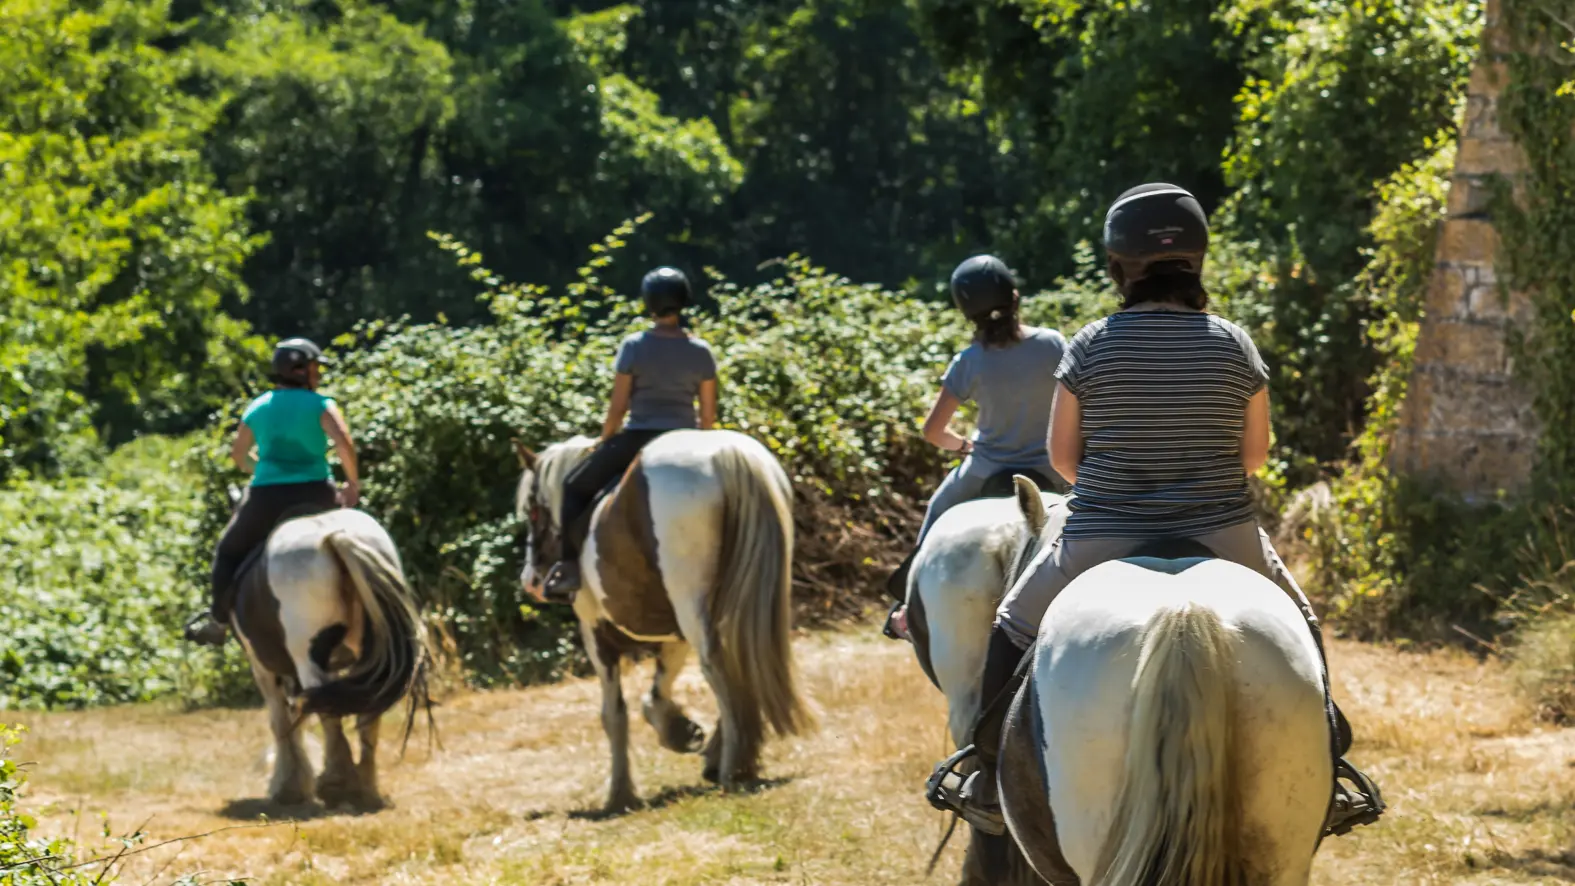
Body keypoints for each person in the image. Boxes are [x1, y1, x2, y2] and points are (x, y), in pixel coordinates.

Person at [924, 183, 1385, 838]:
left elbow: (1061, 459)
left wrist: (1119, 485)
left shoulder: (1088, 346)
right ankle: (1330, 766)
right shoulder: (1233, 344)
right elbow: (1254, 457)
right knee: (1300, 622)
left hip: (1101, 531)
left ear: (1118, 266)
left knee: (1011, 622)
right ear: (1195, 260)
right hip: (1221, 529)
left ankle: (984, 767)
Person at [883, 255, 1067, 639]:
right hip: (1051, 469)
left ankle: (906, 607)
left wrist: (963, 445)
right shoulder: (1052, 344)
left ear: (967, 313)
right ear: (1015, 298)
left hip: (984, 470)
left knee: (937, 511)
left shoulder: (970, 360)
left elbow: (933, 430)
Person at [540, 266, 719, 603]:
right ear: (684, 303)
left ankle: (569, 568)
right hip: (684, 439)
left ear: (648, 303)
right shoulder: (701, 351)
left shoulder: (633, 346)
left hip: (638, 437)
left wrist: (606, 439)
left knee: (572, 487)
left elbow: (618, 408)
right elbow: (708, 418)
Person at [185, 338, 359, 647]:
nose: (318, 374)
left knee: (227, 553)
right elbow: (344, 443)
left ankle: (218, 623)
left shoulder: (258, 407)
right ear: (299, 370)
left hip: (266, 498)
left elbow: (239, 456)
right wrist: (352, 484)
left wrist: (264, 470)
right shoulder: (321, 404)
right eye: (315, 368)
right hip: (318, 494)